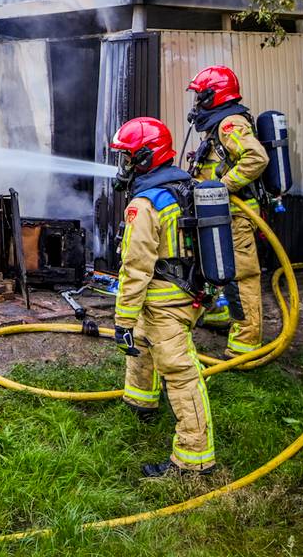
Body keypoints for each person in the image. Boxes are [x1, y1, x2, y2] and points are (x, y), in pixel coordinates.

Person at [110, 116, 217, 478]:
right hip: (185, 291)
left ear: (144, 158)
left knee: (180, 371)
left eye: (126, 158)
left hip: (166, 301)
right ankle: (141, 403)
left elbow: (135, 267)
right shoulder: (184, 185)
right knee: (141, 343)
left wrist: (122, 319)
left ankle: (194, 458)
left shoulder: (145, 205)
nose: (122, 166)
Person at [187, 65, 269, 357]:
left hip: (236, 212)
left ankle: (246, 343)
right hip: (221, 212)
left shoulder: (229, 123)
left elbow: (256, 158)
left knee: (241, 275)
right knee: (217, 266)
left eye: (200, 96)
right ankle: (222, 315)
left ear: (214, 95)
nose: (197, 103)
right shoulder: (217, 124)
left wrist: (222, 188)